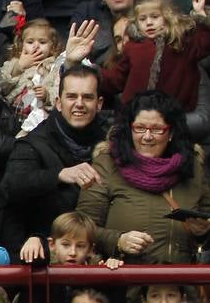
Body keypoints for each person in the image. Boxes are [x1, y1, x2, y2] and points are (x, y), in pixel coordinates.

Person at [77, 91, 210, 263]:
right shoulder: (107, 164)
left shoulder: (192, 168)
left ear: (170, 133)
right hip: (122, 282)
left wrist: (203, 233)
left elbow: (206, 221)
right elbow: (82, 227)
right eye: (139, 128)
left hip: (178, 285)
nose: (147, 137)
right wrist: (118, 240)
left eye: (157, 129)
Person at [2, 66, 110, 246]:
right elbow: (10, 185)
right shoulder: (34, 142)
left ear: (99, 104)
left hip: (99, 250)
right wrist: (58, 174)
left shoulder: (111, 143)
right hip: (46, 251)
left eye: (87, 97)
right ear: (58, 102)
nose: (79, 103)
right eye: (72, 96)